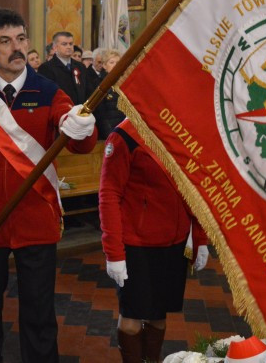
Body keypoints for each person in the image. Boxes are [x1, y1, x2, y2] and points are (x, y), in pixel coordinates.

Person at [0, 8, 97, 363]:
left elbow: (80, 142)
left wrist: (81, 127)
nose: (16, 48)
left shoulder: (48, 91)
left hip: (36, 220)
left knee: (40, 316)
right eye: (5, 41)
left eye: (21, 39)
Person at [100, 118, 209, 363]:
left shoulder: (181, 129)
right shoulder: (125, 135)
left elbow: (196, 187)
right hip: (136, 244)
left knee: (158, 316)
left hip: (174, 242)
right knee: (131, 321)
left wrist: (200, 237)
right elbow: (109, 194)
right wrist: (114, 252)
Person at [38, 31, 92, 105]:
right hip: (60, 109)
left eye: (71, 44)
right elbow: (46, 95)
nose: (69, 47)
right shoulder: (46, 68)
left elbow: (88, 91)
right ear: (55, 47)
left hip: (80, 109)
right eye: (64, 44)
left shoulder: (80, 66)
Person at [94, 49, 125, 139]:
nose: (115, 65)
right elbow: (100, 113)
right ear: (104, 65)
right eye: (112, 62)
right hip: (109, 131)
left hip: (124, 127)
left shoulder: (125, 81)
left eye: (118, 62)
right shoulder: (100, 84)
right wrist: (109, 134)